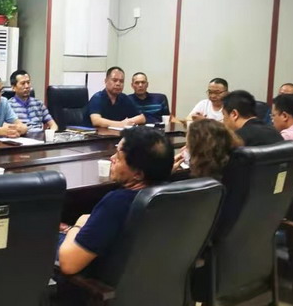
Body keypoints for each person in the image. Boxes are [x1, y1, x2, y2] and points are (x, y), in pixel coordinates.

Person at [57, 126, 173, 275]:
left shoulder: (117, 203)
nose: (111, 158)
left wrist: (78, 225)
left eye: (118, 157)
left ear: (138, 174)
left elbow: (69, 264)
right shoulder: (171, 195)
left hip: (93, 283)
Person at [173, 118, 240, 180]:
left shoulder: (185, 181)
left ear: (197, 151)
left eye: (188, 146)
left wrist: (168, 171)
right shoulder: (238, 173)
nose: (184, 148)